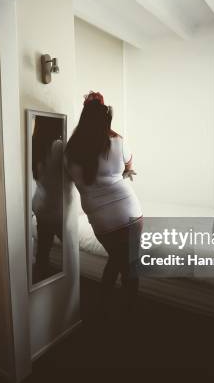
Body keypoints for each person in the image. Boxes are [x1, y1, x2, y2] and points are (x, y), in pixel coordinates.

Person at [65, 91, 143, 314]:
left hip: (101, 221)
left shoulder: (69, 152)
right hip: (129, 212)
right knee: (128, 264)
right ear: (105, 122)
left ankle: (103, 302)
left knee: (117, 259)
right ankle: (128, 309)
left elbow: (76, 179)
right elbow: (129, 166)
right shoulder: (117, 142)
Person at [31, 116, 64, 281]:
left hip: (40, 203)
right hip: (55, 207)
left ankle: (39, 280)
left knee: (43, 249)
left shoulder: (34, 144)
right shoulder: (58, 146)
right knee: (71, 248)